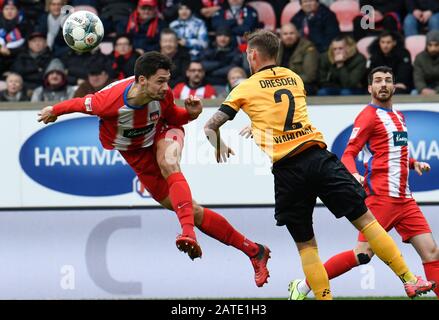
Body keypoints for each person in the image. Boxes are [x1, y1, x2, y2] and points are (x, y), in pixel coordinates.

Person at [203, 29, 435, 300]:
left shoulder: (244, 88)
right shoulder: (295, 78)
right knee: (368, 224)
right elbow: (285, 111)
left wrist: (217, 142)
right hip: (318, 157)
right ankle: (408, 279)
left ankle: (323, 297)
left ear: (253, 55)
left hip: (288, 170)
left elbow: (210, 126)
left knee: (307, 246)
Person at [37, 51, 271, 287]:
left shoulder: (164, 95)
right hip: (137, 156)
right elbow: (78, 104)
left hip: (164, 131)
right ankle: (254, 251)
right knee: (192, 210)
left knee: (169, 163)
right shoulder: (107, 101)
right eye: (160, 81)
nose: (166, 87)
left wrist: (191, 114)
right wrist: (53, 111)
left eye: (167, 80)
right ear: (141, 80)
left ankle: (187, 232)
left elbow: (174, 116)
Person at [288, 66, 439, 300]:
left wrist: (412, 163)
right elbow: (349, 153)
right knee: (363, 254)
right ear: (370, 88)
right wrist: (354, 173)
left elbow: (394, 151)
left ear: (394, 86)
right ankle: (304, 286)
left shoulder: (399, 116)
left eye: (388, 80)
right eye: (378, 81)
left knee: (431, 252)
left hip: (405, 200)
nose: (383, 84)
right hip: (380, 198)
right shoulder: (368, 116)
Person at [413, 30, 439, 95]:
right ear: (426, 45)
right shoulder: (419, 57)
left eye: (436, 45)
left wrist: (436, 91)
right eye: (430, 45)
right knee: (413, 93)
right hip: (424, 88)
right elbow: (418, 77)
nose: (433, 48)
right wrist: (422, 89)